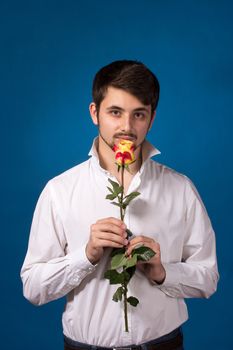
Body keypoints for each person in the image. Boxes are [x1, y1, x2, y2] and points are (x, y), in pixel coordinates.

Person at [21, 60, 219, 350]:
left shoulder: (181, 189)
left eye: (139, 114)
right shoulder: (59, 191)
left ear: (151, 119)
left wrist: (162, 273)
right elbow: (34, 288)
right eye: (115, 112)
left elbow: (208, 279)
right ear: (95, 113)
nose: (127, 127)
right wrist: (85, 256)